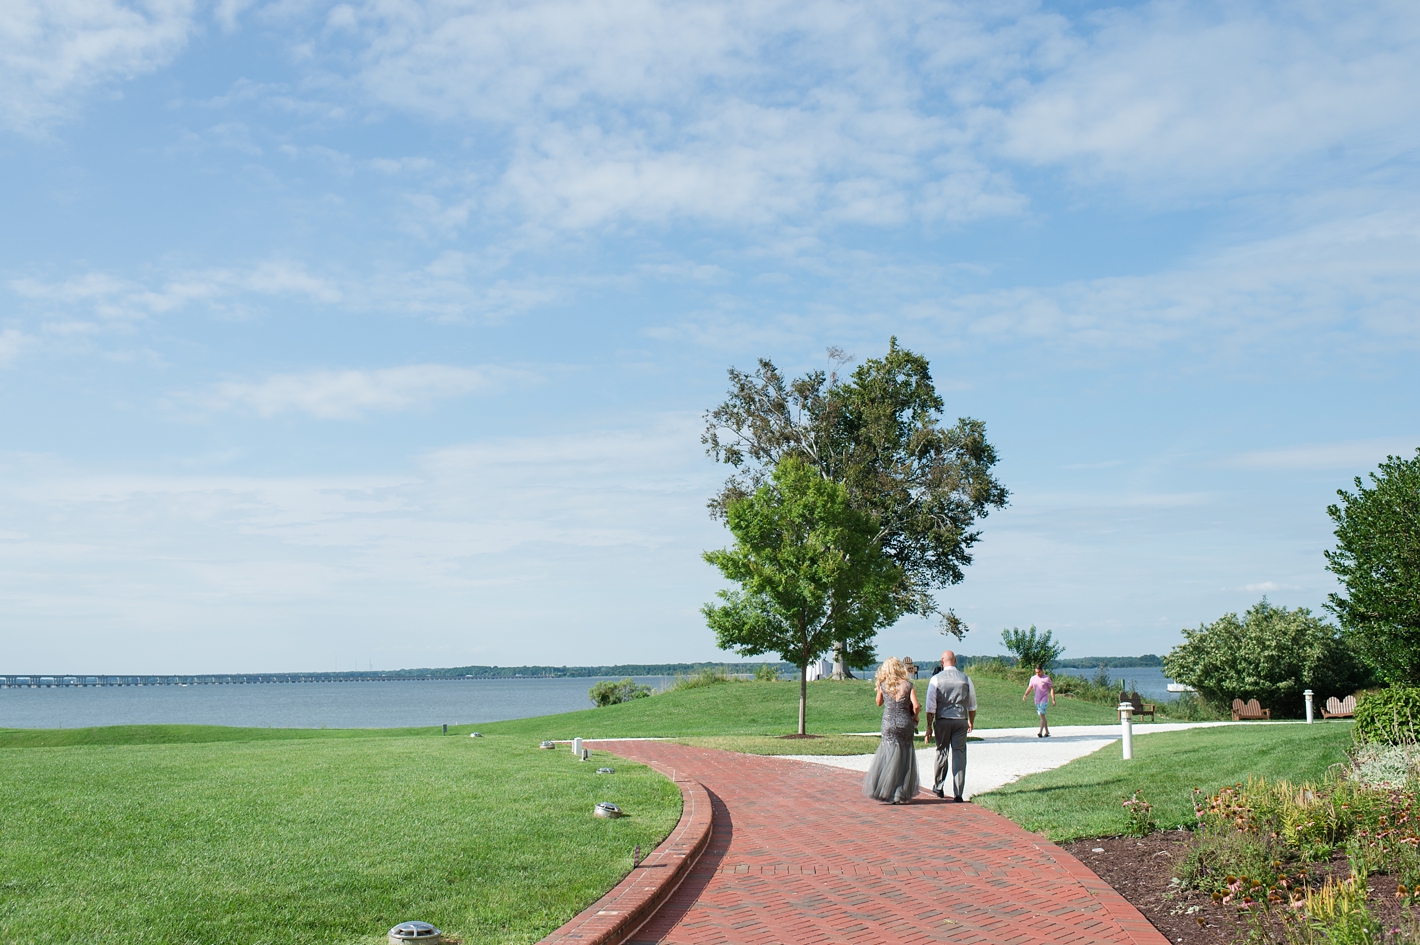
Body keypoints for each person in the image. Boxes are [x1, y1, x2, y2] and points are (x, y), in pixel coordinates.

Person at [862, 657, 921, 804]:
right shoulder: (908, 685)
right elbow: (917, 705)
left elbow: (878, 703)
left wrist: (880, 687)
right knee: (904, 755)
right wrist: (915, 717)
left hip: (888, 722)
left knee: (888, 755)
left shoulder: (883, 685)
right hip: (905, 722)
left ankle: (886, 790)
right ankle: (900, 791)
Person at [923, 650, 976, 801]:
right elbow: (972, 705)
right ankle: (958, 791)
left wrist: (929, 726)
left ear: (942, 661)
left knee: (942, 751)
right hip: (960, 720)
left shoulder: (935, 679)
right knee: (959, 753)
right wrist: (970, 721)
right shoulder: (965, 679)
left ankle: (939, 786)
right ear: (955, 661)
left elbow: (930, 706)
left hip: (943, 719)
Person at [1023, 665, 1056, 737]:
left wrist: (1053, 700)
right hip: (1037, 699)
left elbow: (1052, 689)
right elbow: (1030, 687)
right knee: (1042, 716)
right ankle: (1047, 731)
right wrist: (1025, 695)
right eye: (1036, 672)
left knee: (1042, 714)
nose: (1038, 674)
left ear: (1042, 671)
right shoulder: (1033, 678)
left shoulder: (1046, 678)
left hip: (1044, 699)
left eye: (1039, 672)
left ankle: (1040, 732)